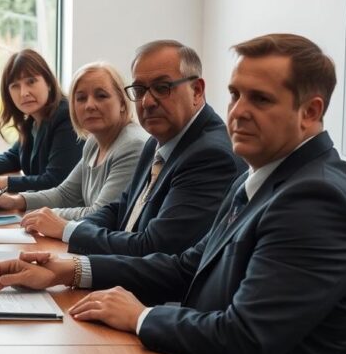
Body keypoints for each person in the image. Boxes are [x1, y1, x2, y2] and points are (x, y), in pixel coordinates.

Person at [0, 34, 346, 354]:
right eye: (236, 94)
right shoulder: (260, 178)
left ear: (310, 112)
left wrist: (142, 316)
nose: (237, 111)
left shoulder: (316, 201)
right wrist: (68, 270)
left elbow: (246, 339)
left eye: (260, 99)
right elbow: (187, 267)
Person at [13, 40, 243, 256]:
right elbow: (120, 209)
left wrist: (66, 231)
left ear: (197, 91)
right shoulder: (157, 141)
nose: (148, 102)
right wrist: (58, 226)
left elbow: (154, 248)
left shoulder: (208, 155)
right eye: (140, 90)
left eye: (162, 88)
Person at [0, 62, 147, 221]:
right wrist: (15, 201)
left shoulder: (132, 145)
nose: (89, 105)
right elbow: (65, 194)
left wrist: (43, 215)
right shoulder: (93, 141)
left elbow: (100, 214)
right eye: (81, 98)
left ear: (123, 102)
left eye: (101, 96)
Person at [0, 49, 83, 192]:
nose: (24, 93)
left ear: (49, 83)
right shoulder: (33, 119)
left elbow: (55, 181)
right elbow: (15, 156)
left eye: (31, 82)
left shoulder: (67, 117)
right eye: (15, 86)